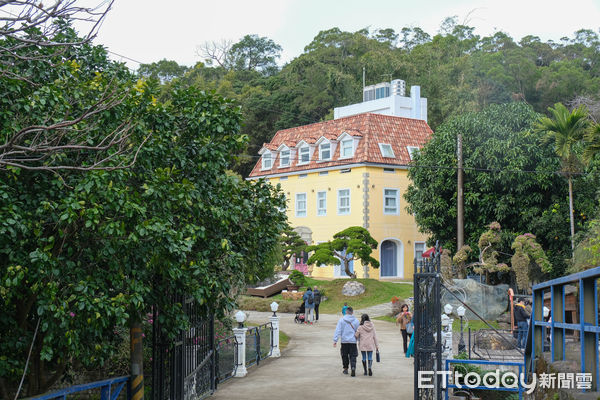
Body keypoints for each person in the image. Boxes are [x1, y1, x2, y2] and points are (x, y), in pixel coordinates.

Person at [333, 306, 360, 376]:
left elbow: (338, 331)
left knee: (344, 355)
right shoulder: (356, 321)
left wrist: (335, 340)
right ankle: (353, 367)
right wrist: (359, 340)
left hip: (344, 341)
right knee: (353, 355)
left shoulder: (341, 320)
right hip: (353, 341)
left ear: (346, 312)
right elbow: (359, 331)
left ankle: (345, 368)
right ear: (352, 312)